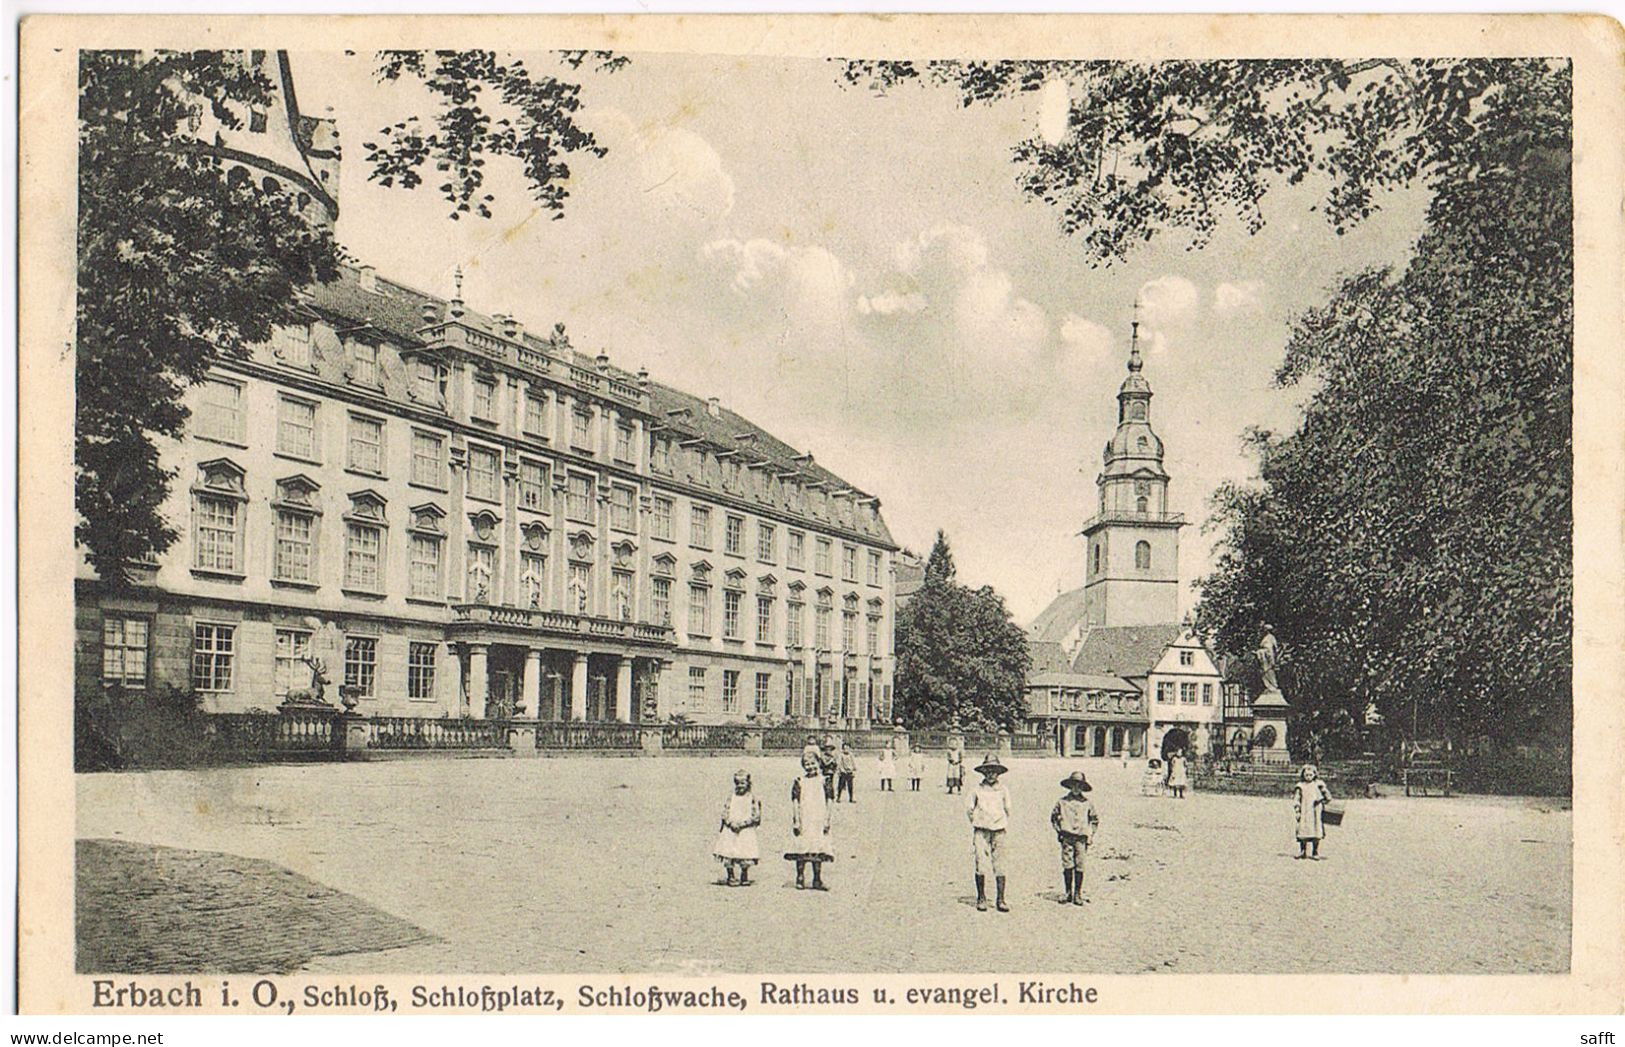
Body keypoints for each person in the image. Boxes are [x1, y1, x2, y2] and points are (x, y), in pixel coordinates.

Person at [965, 754, 1013, 912]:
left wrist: (999, 821)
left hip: (999, 831)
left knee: (1000, 864)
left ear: (998, 773)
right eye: (988, 771)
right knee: (981, 863)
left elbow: (1008, 809)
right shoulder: (977, 790)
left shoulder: (1003, 790)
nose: (991, 774)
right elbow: (969, 809)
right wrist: (979, 821)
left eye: (994, 771)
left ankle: (1001, 899)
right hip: (981, 831)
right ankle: (981, 897)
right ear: (984, 772)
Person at [785, 749, 834, 889]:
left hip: (818, 818)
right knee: (802, 847)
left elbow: (830, 800)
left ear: (818, 763)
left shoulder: (825, 780)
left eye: (813, 763)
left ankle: (817, 879)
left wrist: (827, 820)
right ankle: (800, 877)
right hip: (804, 817)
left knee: (817, 848)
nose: (810, 767)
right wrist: (796, 820)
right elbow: (795, 801)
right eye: (807, 764)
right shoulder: (800, 781)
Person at [1050, 771, 1099, 905]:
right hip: (1067, 837)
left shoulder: (1087, 803)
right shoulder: (1062, 802)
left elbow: (1094, 820)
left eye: (1079, 785)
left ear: (1083, 787)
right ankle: (1068, 892)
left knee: (1080, 865)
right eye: (1074, 785)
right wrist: (1059, 831)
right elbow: (1053, 817)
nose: (1076, 788)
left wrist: (1091, 834)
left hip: (1081, 839)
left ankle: (1077, 893)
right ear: (1070, 786)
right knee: (1068, 864)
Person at [714, 770, 762, 886]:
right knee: (728, 852)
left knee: (744, 852)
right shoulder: (731, 797)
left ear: (748, 783)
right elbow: (725, 811)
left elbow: (756, 815)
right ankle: (731, 876)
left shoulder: (752, 798)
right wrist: (729, 823)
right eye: (737, 783)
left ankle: (744, 875)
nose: (740, 786)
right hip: (731, 829)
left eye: (743, 783)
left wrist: (743, 824)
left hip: (745, 829)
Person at [1293, 763, 1332, 860]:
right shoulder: (1300, 786)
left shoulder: (1318, 785)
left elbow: (1328, 796)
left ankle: (1315, 851)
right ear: (1303, 775)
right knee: (1303, 829)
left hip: (1315, 811)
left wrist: (1322, 799)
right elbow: (1297, 799)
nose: (1309, 777)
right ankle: (1303, 851)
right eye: (1306, 775)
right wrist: (1297, 810)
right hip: (1305, 811)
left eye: (1311, 775)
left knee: (1316, 829)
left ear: (1315, 774)